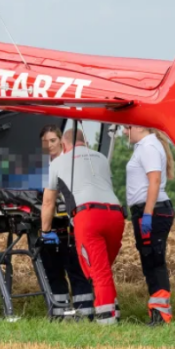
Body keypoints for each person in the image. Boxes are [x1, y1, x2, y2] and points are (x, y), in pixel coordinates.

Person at [41, 126, 124, 325]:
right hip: (115, 214)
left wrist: (45, 231)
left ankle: (107, 322)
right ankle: (113, 312)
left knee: (98, 271)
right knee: (103, 267)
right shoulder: (101, 158)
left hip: (88, 216)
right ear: (85, 142)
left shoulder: (58, 163)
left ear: (64, 144)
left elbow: (48, 202)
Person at [37, 125, 94, 321]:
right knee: (53, 271)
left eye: (53, 140)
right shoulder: (42, 167)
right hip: (51, 224)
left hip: (71, 225)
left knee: (77, 271)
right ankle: (60, 315)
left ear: (61, 141)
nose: (49, 145)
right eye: (45, 142)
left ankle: (84, 314)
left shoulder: (70, 163)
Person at [124, 124, 175, 326]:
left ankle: (161, 316)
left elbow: (154, 181)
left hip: (151, 211)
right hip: (148, 211)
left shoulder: (148, 147)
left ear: (137, 126)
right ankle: (157, 312)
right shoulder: (146, 146)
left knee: (154, 261)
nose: (123, 132)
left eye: (126, 127)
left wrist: (147, 213)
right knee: (150, 261)